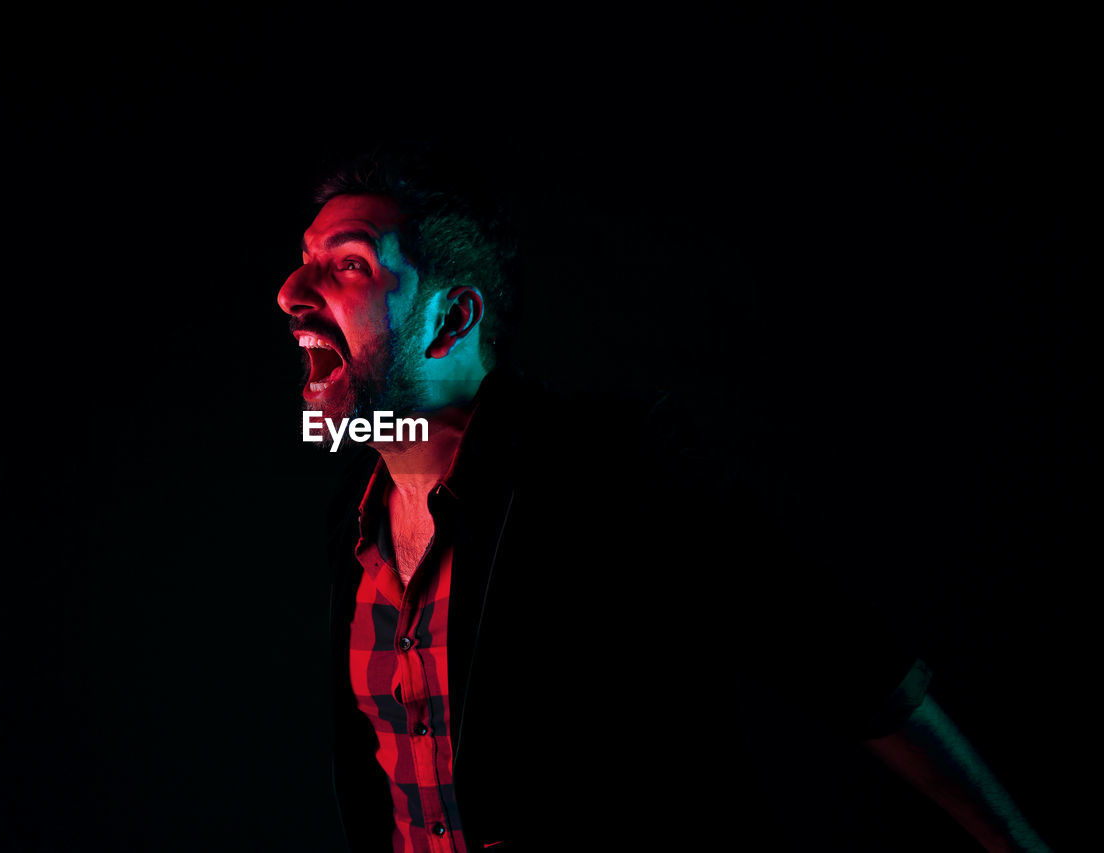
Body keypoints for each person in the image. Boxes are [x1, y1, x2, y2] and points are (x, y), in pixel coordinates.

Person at [275, 148, 1051, 852]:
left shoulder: (614, 476)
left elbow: (853, 669)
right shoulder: (357, 519)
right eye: (304, 261)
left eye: (347, 266)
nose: (288, 293)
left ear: (450, 320)